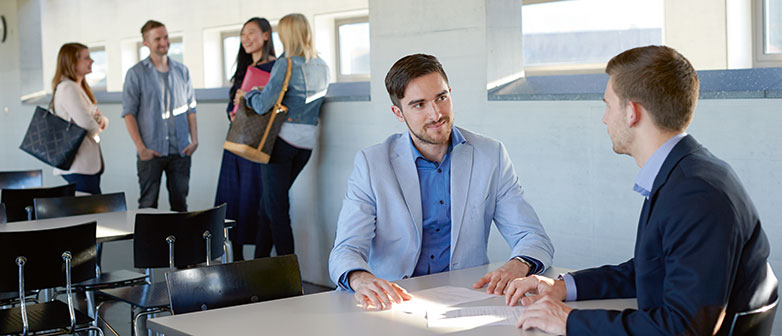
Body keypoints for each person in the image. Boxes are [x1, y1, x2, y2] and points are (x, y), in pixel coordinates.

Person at [506, 45, 778, 335]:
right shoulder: (685, 172)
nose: (604, 118)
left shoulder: (695, 193)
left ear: (632, 112)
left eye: (608, 105)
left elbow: (683, 328)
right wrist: (562, 287)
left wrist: (568, 320)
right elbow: (653, 270)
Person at [328, 53, 554, 310]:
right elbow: (345, 250)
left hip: (467, 300)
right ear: (398, 113)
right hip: (394, 303)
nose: (436, 113)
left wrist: (518, 264)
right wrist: (361, 279)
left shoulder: (490, 155)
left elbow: (533, 237)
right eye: (419, 104)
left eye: (441, 98)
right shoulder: (372, 164)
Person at [235, 13, 329, 258]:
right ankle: (258, 264)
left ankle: (291, 277)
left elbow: (264, 104)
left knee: (277, 210)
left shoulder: (285, 63)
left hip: (282, 143)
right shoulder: (322, 64)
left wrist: (249, 95)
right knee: (268, 204)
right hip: (306, 145)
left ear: (287, 34)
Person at [215, 17, 276, 261]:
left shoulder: (275, 68)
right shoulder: (242, 70)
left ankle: (259, 262)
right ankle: (235, 262)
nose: (246, 39)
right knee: (232, 203)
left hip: (258, 146)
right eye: (242, 34)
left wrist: (249, 97)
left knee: (259, 203)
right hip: (235, 145)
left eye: (251, 33)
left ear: (266, 35)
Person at [122, 20, 198, 212]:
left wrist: (194, 140)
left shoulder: (182, 71)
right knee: (148, 205)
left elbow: (190, 109)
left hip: (180, 151)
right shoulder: (136, 73)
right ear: (146, 43)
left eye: (165, 36)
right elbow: (128, 113)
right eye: (157, 38)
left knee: (180, 205)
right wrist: (141, 148)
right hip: (150, 152)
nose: (164, 41)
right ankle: (148, 244)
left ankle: (180, 243)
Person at [51, 43, 109, 195]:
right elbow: (89, 125)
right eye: (86, 58)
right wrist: (98, 125)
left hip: (86, 164)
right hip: (78, 164)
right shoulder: (68, 88)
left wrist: (98, 123)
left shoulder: (78, 87)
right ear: (72, 62)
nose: (92, 61)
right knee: (91, 211)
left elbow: (99, 120)